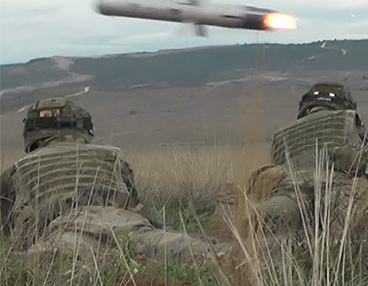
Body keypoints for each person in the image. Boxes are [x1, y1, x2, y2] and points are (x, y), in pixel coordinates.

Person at [0, 97, 231, 263]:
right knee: (198, 251)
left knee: (49, 261)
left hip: (66, 231)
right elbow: (135, 202)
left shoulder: (18, 170)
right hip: (124, 221)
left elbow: (7, 233)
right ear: (81, 127)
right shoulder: (111, 155)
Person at [209, 83, 368, 242]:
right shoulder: (351, 123)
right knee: (346, 209)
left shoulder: (282, 134)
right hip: (335, 185)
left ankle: (235, 225)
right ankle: (332, 243)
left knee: (274, 213)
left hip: (290, 190)